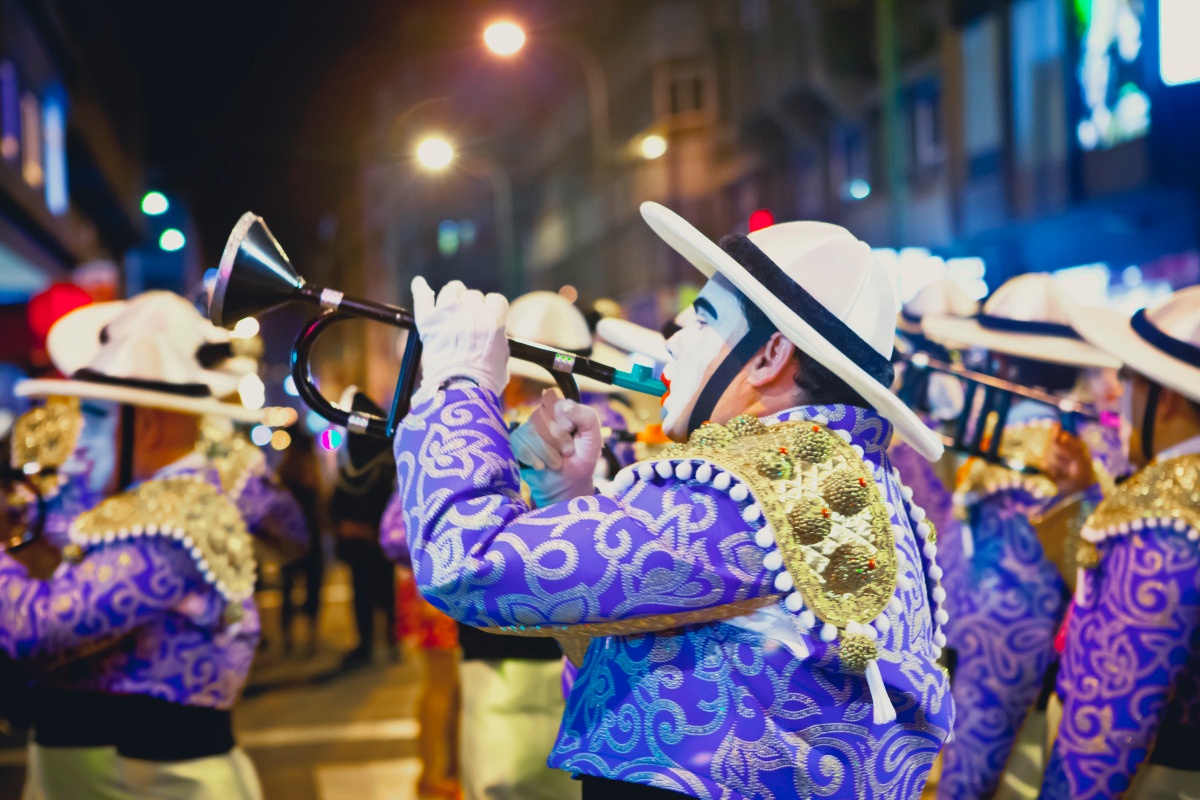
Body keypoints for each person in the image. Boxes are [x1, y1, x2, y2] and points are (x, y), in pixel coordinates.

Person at [394, 201, 952, 798]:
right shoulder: (834, 472)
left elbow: (464, 563)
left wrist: (459, 382)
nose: (676, 337)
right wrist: (569, 496)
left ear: (769, 356)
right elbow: (654, 657)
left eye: (704, 320)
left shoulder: (753, 487)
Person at [3, 290, 264, 799]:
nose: (78, 441)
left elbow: (40, 632)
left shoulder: (173, 519)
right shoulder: (166, 503)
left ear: (143, 425)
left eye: (96, 419)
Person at [922, 274, 1127, 800]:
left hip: (998, 674)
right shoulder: (1104, 442)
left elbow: (1003, 618)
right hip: (1072, 676)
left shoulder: (1013, 452)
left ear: (1003, 365)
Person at [1038, 286, 1200, 799]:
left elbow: (1107, 725)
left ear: (1166, 395)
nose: (1119, 390)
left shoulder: (1166, 514)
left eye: (1130, 376)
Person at [332, 390, 398, 669]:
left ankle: (389, 640)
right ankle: (369, 642)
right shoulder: (358, 466)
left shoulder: (381, 467)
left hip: (375, 542)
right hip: (362, 546)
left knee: (384, 592)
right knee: (362, 593)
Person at [276, 427, 326, 656]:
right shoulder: (304, 472)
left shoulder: (283, 471)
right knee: (308, 588)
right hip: (305, 538)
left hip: (290, 539)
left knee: (290, 588)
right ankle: (308, 638)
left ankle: (290, 640)